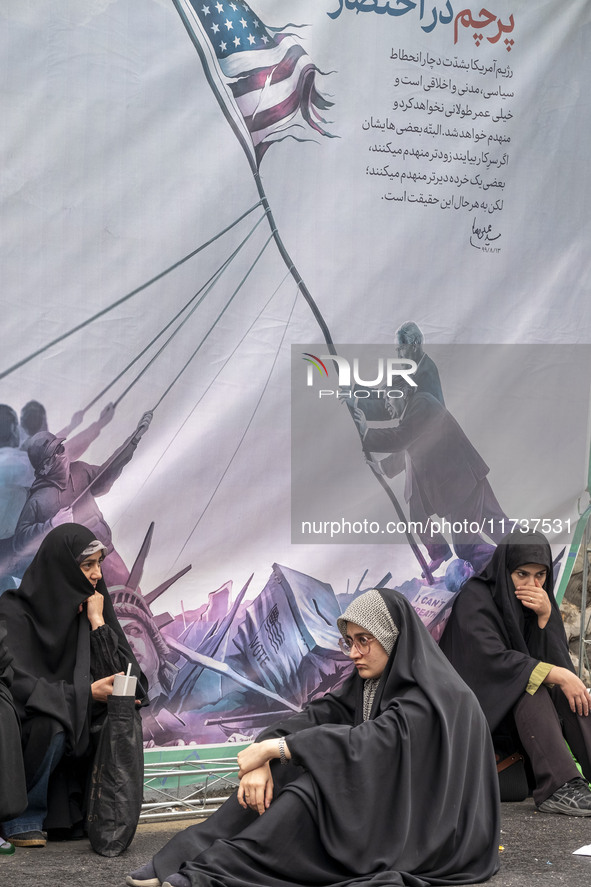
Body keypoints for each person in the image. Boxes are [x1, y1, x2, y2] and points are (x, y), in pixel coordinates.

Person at [126, 587, 500, 887]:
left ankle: (216, 871)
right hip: (391, 795)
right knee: (285, 770)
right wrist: (264, 753)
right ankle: (184, 855)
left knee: (309, 790)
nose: (353, 652)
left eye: (364, 640)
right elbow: (320, 715)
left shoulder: (437, 697)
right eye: (348, 641)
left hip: (426, 825)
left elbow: (374, 743)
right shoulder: (373, 679)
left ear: (392, 636)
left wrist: (278, 748)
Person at [0, 524, 147, 847]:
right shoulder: (12, 613)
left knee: (109, 717)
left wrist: (98, 624)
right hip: (28, 729)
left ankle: (96, 816)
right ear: (62, 566)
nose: (97, 574)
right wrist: (82, 694)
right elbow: (16, 686)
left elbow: (127, 682)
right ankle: (21, 819)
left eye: (99, 564)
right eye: (87, 565)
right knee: (52, 722)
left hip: (78, 730)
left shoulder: (90, 609)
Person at [439, 529, 591, 816]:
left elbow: (558, 666)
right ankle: (560, 787)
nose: (532, 585)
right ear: (506, 569)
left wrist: (546, 619)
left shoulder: (540, 603)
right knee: (529, 686)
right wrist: (557, 674)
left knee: (572, 692)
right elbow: (492, 663)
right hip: (481, 723)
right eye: (522, 574)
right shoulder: (476, 598)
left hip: (529, 730)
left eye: (540, 576)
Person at [355, 378, 507, 573]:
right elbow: (409, 449)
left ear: (402, 393)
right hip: (462, 481)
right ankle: (527, 554)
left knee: (467, 545)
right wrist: (383, 467)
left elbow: (402, 438)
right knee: (497, 524)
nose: (387, 405)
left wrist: (367, 434)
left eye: (389, 398)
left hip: (460, 483)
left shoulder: (421, 404)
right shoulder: (415, 410)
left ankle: (502, 569)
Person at [12, 410, 152, 586]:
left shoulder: (79, 470)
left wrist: (133, 441)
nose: (61, 454)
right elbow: (20, 542)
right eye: (54, 453)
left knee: (132, 601)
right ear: (43, 468)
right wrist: (52, 524)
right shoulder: (38, 500)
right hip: (74, 573)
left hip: (107, 553)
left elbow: (105, 475)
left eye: (60, 448)